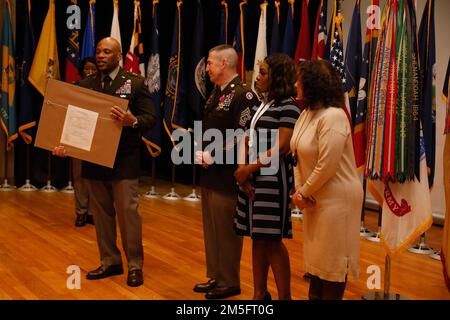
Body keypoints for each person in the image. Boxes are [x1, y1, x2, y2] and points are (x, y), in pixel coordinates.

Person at [53, 37, 156, 287]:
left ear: (119, 56)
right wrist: (64, 145)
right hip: (94, 160)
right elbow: (73, 122)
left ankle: (134, 265)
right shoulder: (85, 84)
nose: (100, 55)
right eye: (98, 51)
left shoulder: (135, 83)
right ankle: (110, 261)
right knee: (101, 216)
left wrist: (132, 120)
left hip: (124, 161)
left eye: (106, 52)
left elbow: (150, 118)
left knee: (128, 216)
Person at [290, 60, 363, 300]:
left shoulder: (334, 116)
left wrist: (303, 193)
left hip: (337, 199)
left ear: (313, 84)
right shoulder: (306, 113)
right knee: (318, 263)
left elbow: (327, 165)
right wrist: (301, 190)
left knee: (332, 264)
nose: (295, 84)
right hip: (315, 196)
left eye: (299, 80)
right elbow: (295, 155)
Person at [194, 44, 259, 299]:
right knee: (211, 229)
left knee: (226, 231)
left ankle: (230, 281)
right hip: (210, 173)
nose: (206, 67)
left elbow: (243, 135)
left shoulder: (243, 94)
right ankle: (216, 276)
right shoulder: (216, 93)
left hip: (228, 175)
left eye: (210, 62)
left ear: (224, 63)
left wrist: (215, 154)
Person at [233, 53, 299, 300]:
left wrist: (248, 170)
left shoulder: (289, 106)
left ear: (278, 78)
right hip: (255, 178)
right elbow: (248, 140)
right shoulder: (264, 104)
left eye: (263, 73)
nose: (257, 78)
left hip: (273, 179)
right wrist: (245, 174)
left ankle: (285, 297)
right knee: (257, 238)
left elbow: (282, 147)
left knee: (272, 240)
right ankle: (259, 294)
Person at [72, 57, 98, 227]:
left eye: (92, 69)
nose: (89, 72)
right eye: (86, 69)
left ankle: (92, 213)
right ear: (81, 71)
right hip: (78, 136)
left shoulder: (104, 88)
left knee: (95, 178)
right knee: (79, 176)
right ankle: (81, 212)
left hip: (98, 138)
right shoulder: (74, 88)